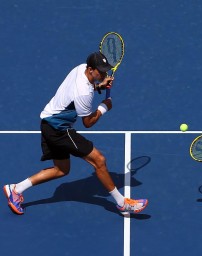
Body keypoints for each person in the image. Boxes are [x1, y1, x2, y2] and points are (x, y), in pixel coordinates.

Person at [3, 52, 148, 215]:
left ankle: (16, 188)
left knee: (61, 170)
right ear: (91, 69)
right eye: (100, 71)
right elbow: (88, 122)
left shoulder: (80, 68)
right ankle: (122, 203)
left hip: (47, 123)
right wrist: (104, 107)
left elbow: (82, 90)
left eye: (105, 70)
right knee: (99, 160)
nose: (103, 74)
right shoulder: (84, 93)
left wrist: (99, 85)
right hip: (59, 130)